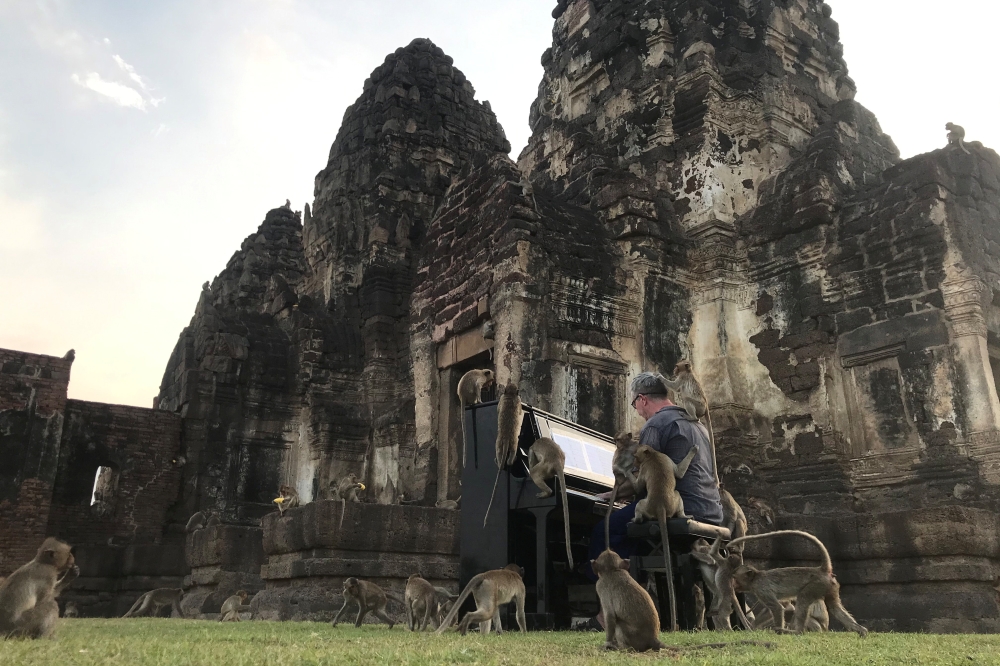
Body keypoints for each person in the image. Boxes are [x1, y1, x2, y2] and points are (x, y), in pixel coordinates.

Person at [586, 371, 723, 575]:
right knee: (632, 523)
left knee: (604, 531)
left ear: (642, 399)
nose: (638, 412)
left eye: (635, 406)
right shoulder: (697, 424)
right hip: (712, 511)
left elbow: (641, 481)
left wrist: (607, 495)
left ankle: (613, 599)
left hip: (677, 508)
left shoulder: (655, 425)